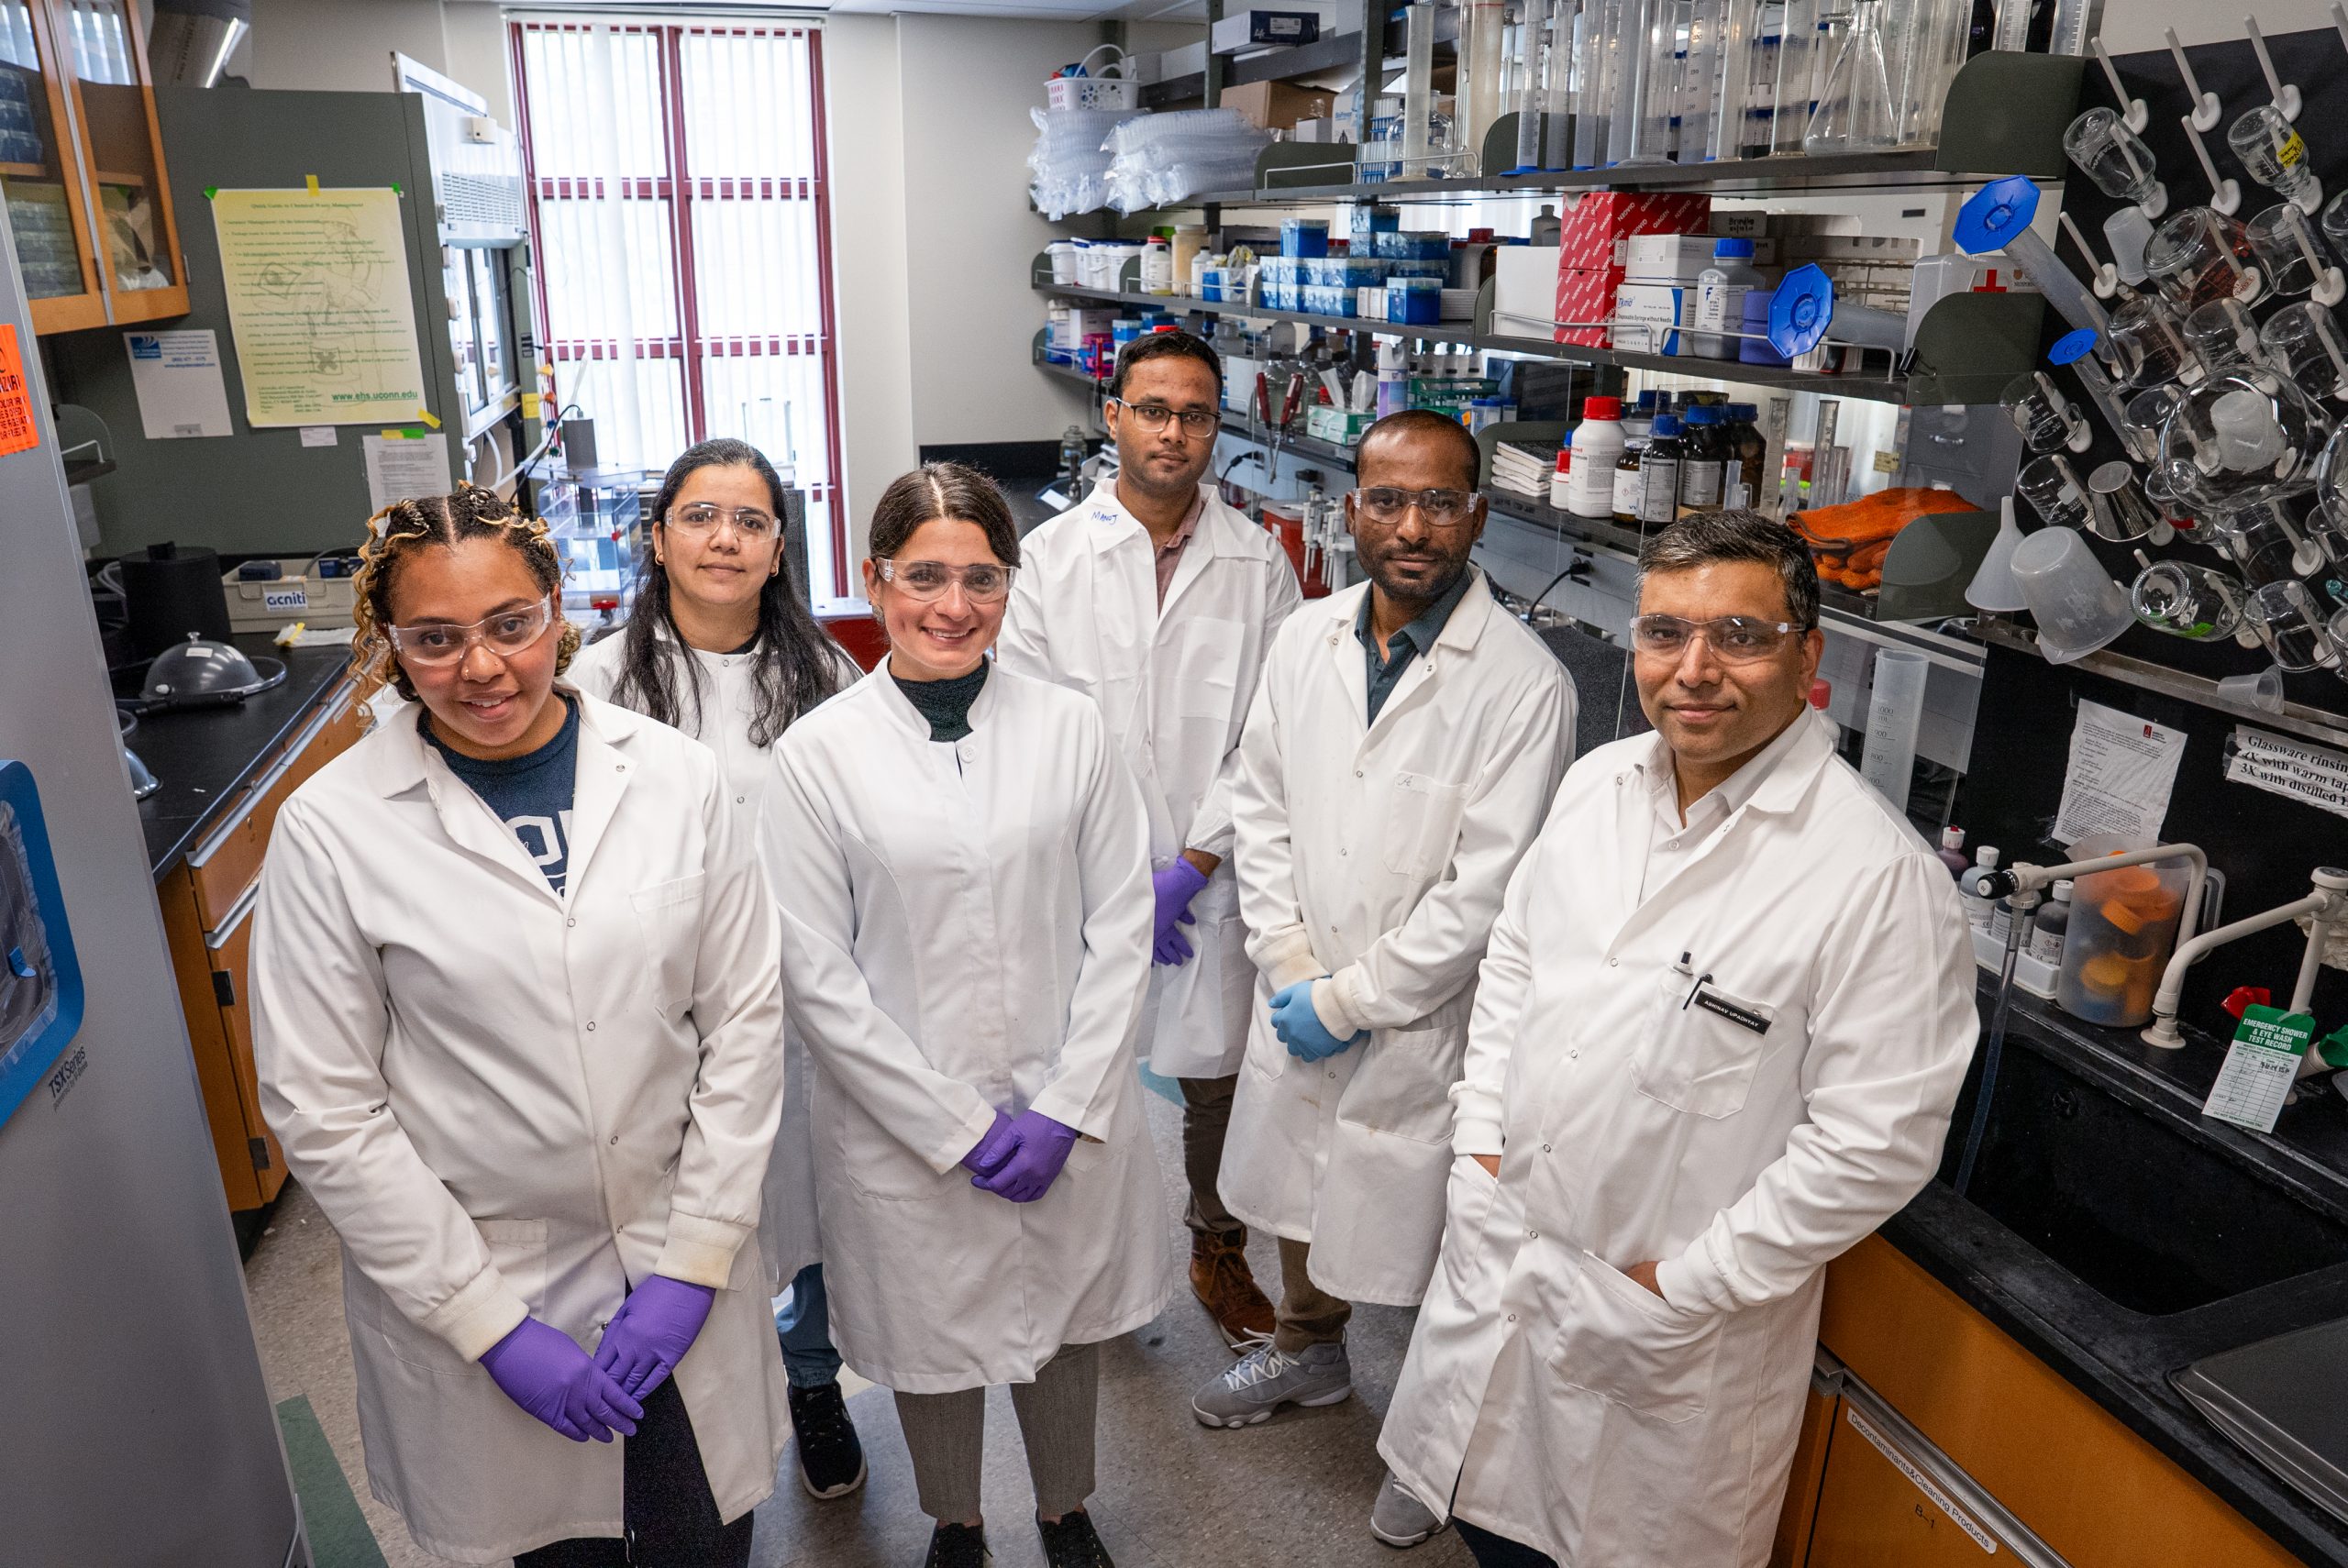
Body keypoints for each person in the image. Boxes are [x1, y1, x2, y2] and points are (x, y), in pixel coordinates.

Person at [1377, 511, 1977, 1568]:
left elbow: (1874, 1144)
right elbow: (1515, 963)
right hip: (1503, 1260)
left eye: (1738, 636)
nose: (1694, 670)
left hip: (1660, 1333)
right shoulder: (1596, 783)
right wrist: (1479, 1143)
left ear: (1807, 652)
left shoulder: (1874, 877)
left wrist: (1688, 1283)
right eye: (1665, 633)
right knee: (1486, 1524)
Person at [251, 485, 789, 1567]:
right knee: (553, 1552)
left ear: (558, 611)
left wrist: (695, 1262)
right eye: (435, 640)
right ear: (391, 647)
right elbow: (325, 1108)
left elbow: (743, 1024)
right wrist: (488, 1324)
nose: (483, 668)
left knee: (700, 1541)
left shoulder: (676, 778)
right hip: (486, 1292)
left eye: (509, 624)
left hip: (677, 1274)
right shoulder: (332, 828)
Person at [760, 463, 1172, 1568]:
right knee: (932, 1336)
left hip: (1063, 1100)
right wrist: (956, 1124)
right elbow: (817, 975)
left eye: (981, 578)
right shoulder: (816, 757)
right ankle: (955, 1521)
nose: (953, 606)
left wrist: (1067, 1104)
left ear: (1011, 583)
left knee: (1064, 1323)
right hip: (906, 1124)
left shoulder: (1070, 730)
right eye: (924, 576)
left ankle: (1064, 1511)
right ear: (873, 578)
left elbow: (1120, 927)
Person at [1195, 410, 1575, 1547]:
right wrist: (1292, 965)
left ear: (1479, 514)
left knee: (1436, 1244)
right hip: (1299, 981)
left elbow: (1485, 891)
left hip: (1423, 1021)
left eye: (1440, 502)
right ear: (1351, 506)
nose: (1413, 527)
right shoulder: (1305, 639)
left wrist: (1352, 1000)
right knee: (1308, 1199)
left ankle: (1433, 1444)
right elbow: (1257, 805)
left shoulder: (1523, 685)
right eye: (1388, 500)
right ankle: (1308, 1357)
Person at [570, 437, 870, 1500]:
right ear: (657, 538)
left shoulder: (826, 675)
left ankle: (813, 1381)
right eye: (700, 516)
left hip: (798, 1001)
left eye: (749, 521)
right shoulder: (595, 684)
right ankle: (690, 1413)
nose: (724, 539)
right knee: (685, 1213)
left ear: (780, 548)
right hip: (652, 1013)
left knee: (809, 1205)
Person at [998, 330, 1302, 1352]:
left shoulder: (1258, 567)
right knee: (1080, 1069)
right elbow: (1033, 725)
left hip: (1206, 880)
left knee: (1214, 1073)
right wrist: (1122, 872)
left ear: (1219, 426)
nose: (1174, 432)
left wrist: (1192, 864)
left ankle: (1215, 1246)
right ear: (1115, 415)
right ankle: (1092, 1264)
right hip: (1078, 872)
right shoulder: (1045, 561)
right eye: (1155, 410)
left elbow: (1273, 729)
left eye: (1197, 414)